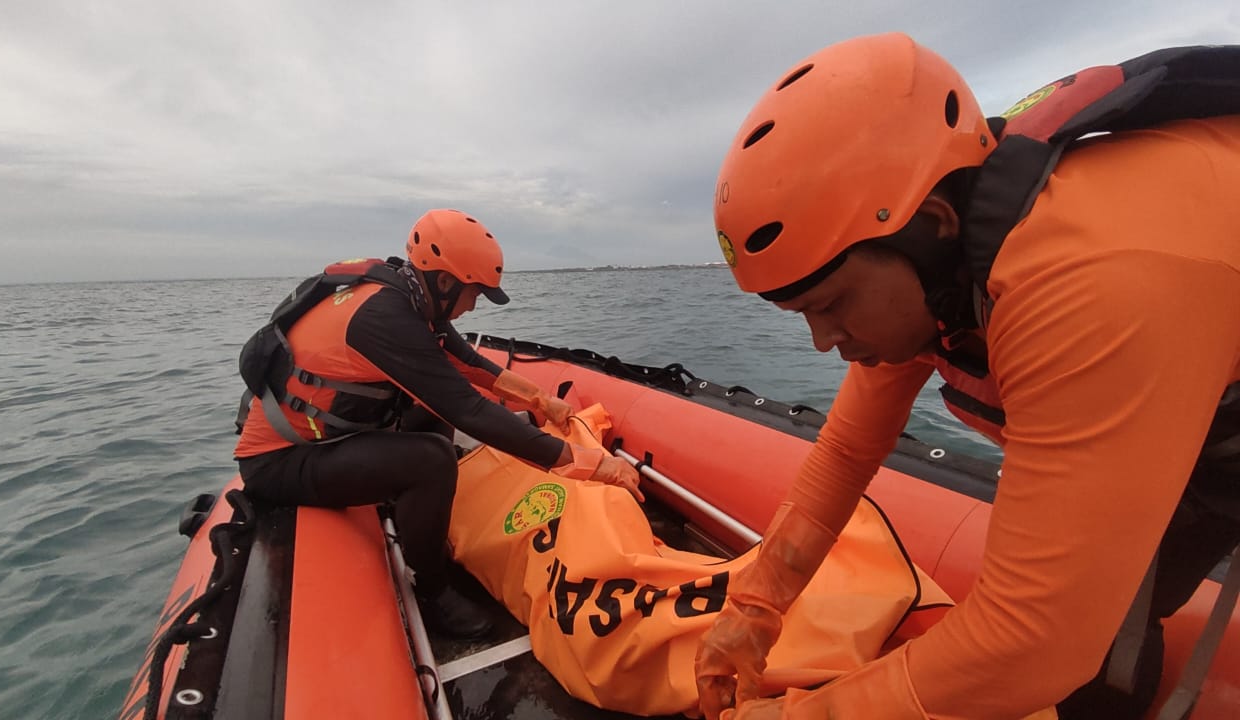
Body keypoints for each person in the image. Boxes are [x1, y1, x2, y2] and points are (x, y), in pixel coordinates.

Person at [694, 33, 1240, 719]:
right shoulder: (940, 271)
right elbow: (845, 452)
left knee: (1083, 648)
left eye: (831, 305)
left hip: (1200, 381)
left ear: (933, 221)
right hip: (1185, 399)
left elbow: (1033, 643)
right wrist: (754, 607)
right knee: (1104, 631)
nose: (824, 342)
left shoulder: (1090, 279)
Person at [233, 208, 642, 639]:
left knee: (430, 415)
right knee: (432, 458)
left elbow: (469, 364)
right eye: (475, 294)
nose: (474, 305)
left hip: (332, 439)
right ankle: (432, 590)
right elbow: (470, 411)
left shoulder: (408, 298)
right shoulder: (384, 319)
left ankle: (418, 518)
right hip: (279, 462)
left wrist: (542, 400)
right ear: (445, 282)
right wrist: (591, 464)